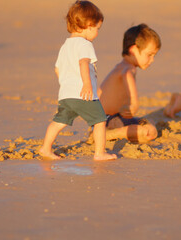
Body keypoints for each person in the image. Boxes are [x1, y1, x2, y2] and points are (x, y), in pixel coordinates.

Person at [38, 1, 117, 161]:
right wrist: (87, 84)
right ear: (88, 25)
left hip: (66, 94)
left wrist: (66, 85)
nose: (97, 32)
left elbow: (57, 69)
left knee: (59, 122)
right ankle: (100, 153)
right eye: (97, 28)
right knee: (100, 121)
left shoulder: (65, 46)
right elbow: (83, 63)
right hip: (84, 94)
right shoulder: (85, 44)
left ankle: (45, 148)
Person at [98, 24, 161, 143]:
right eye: (149, 55)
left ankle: (107, 133)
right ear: (133, 51)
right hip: (107, 119)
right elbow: (126, 75)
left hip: (111, 118)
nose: (152, 60)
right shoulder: (128, 69)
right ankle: (107, 135)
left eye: (154, 56)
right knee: (147, 132)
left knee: (150, 124)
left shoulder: (123, 66)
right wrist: (134, 103)